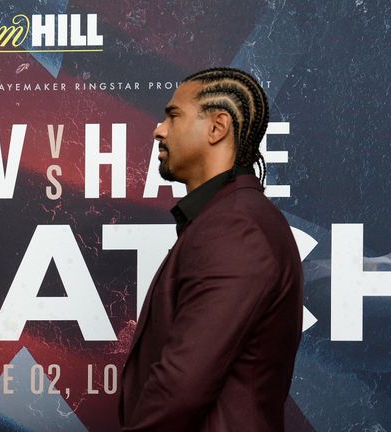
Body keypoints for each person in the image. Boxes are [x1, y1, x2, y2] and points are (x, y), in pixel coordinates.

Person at [118, 67, 303, 431]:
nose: (159, 130)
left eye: (174, 116)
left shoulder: (236, 228)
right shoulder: (228, 219)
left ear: (217, 127)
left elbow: (180, 388)